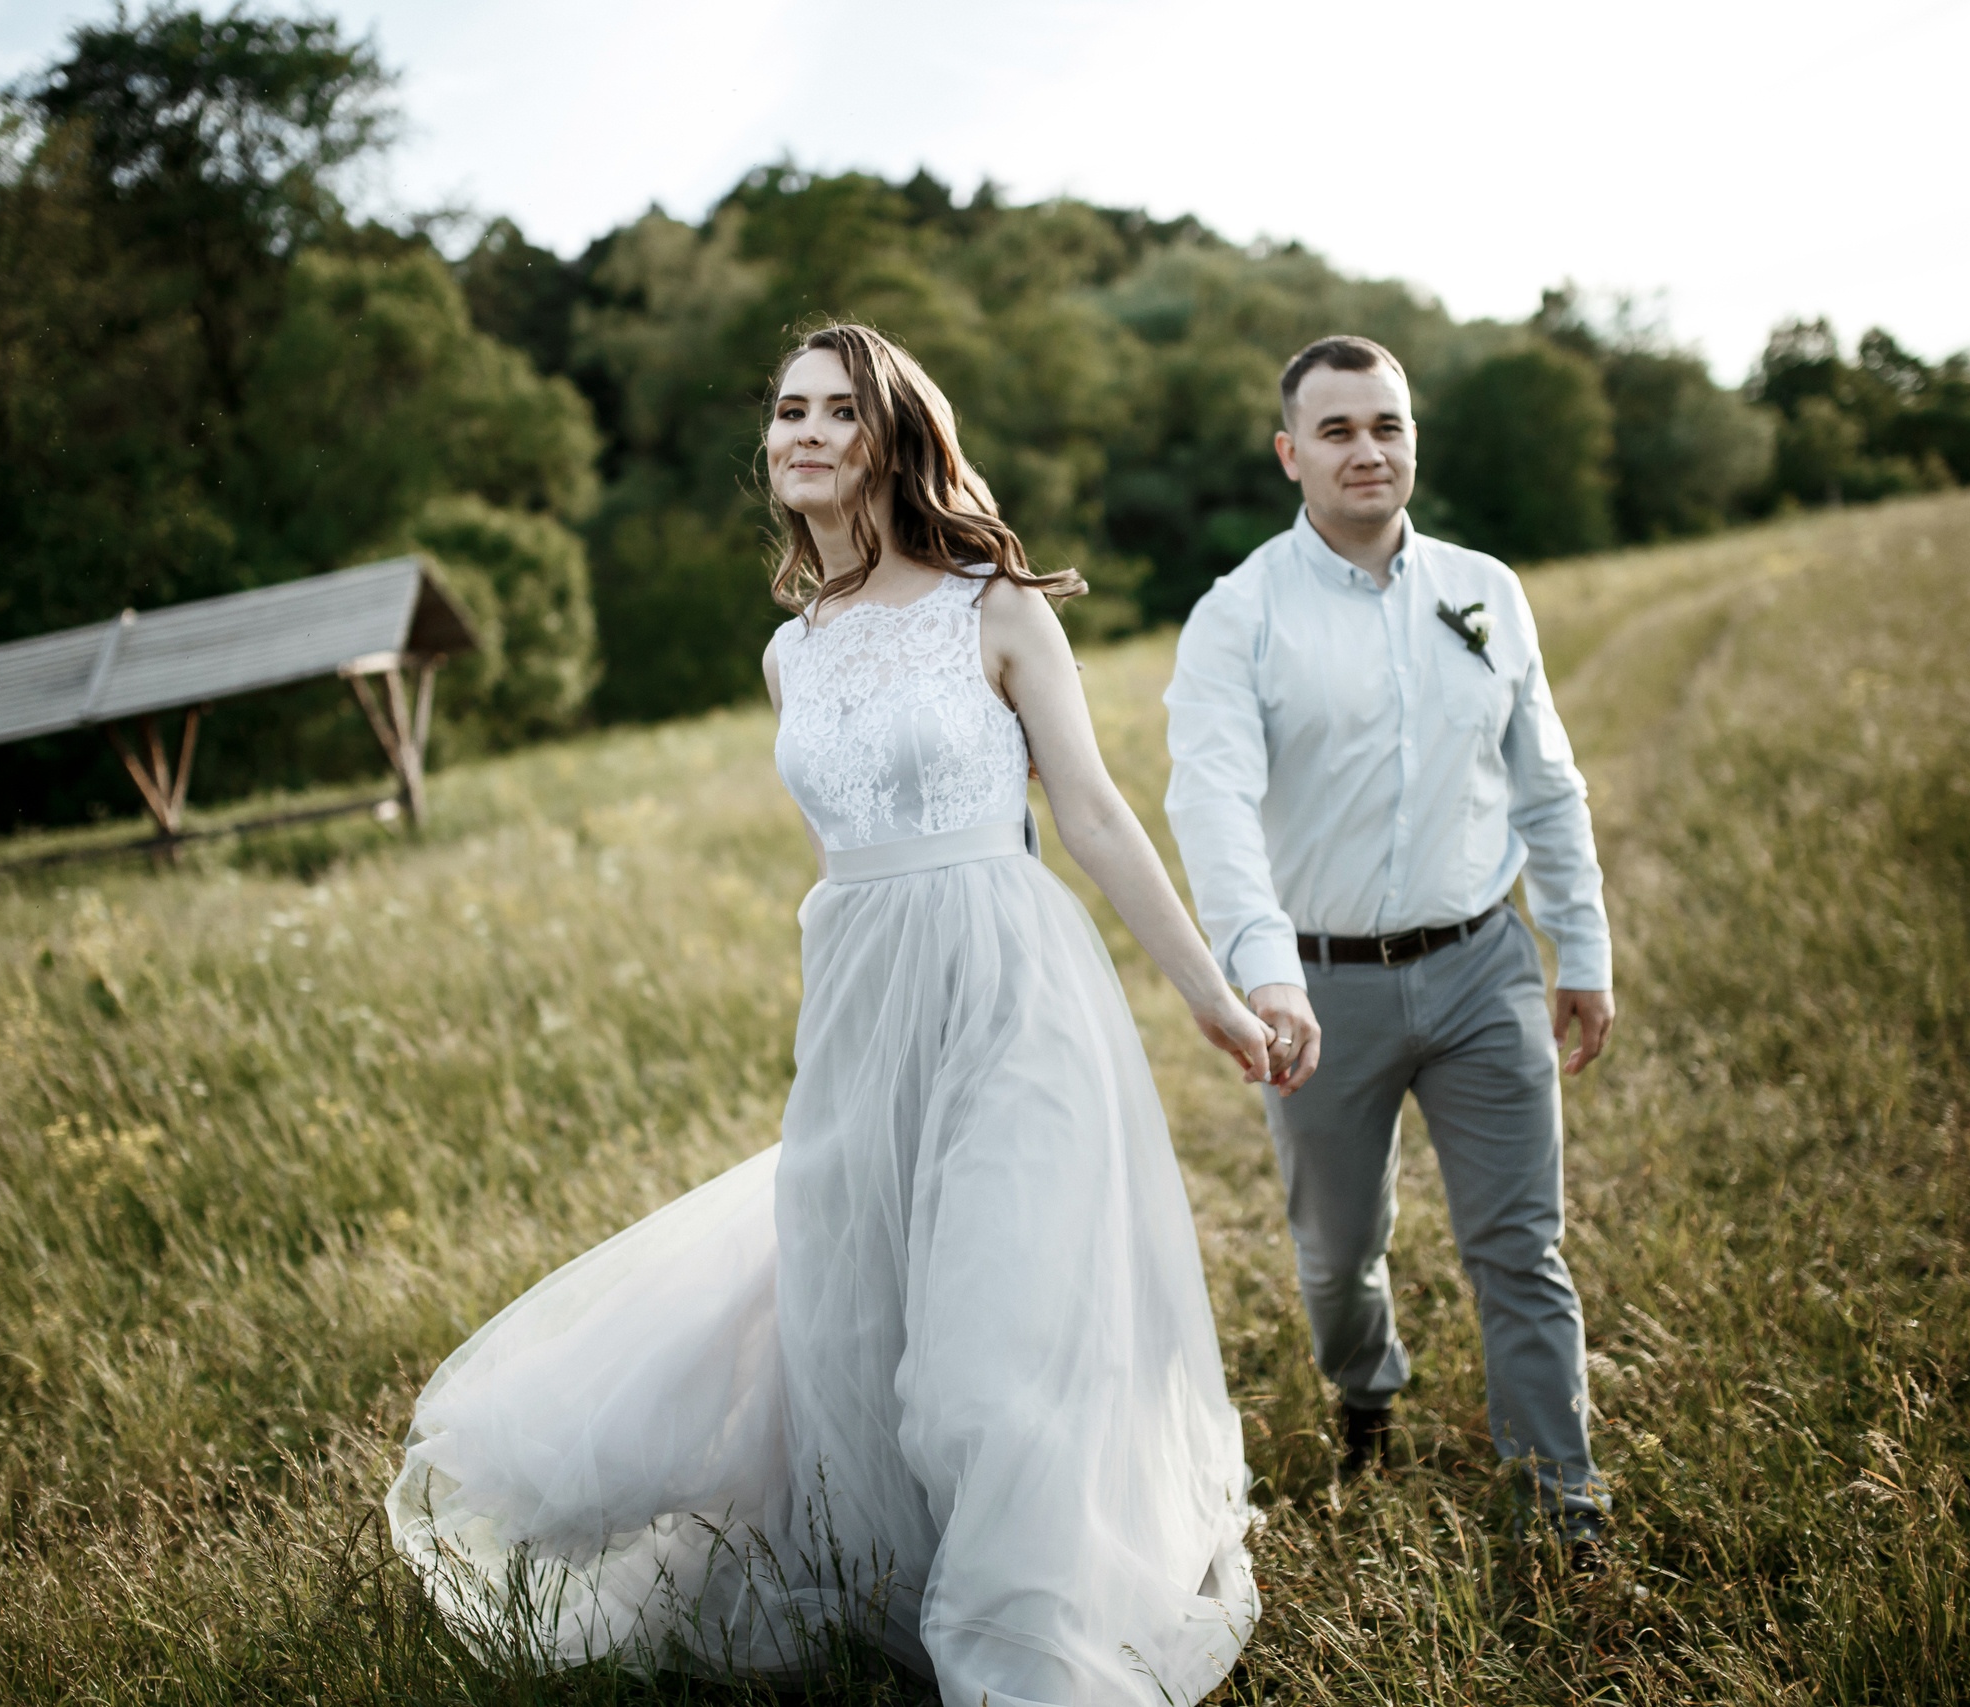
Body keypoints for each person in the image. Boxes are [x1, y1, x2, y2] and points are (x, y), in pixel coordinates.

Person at [391, 323, 1277, 1704]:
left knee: (989, 1349)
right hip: (864, 1005)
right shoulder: (787, 656)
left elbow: (1093, 814)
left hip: (1010, 986)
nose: (802, 431)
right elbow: (836, 869)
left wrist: (1210, 993)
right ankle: (902, 1594)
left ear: (893, 439)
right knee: (860, 1338)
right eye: (787, 410)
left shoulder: (995, 609)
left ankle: (1022, 1656)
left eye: (837, 410)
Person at [1162, 334, 1617, 1564]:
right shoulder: (1237, 616)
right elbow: (1210, 806)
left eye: (1387, 426)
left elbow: (1547, 782)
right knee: (1334, 1255)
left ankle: (1562, 1507)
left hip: (1481, 965)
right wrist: (1266, 975)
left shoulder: (1485, 589)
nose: (1366, 450)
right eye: (1337, 431)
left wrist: (1580, 947)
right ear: (1290, 455)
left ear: (1412, 439)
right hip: (1318, 988)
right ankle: (1366, 1392)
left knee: (1520, 1248)